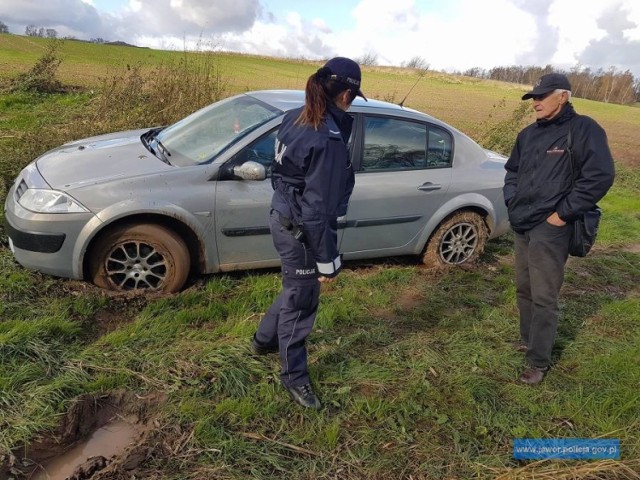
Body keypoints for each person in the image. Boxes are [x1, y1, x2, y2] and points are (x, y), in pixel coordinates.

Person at [251, 57, 366, 409]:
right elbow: (319, 210)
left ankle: (262, 341)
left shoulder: (294, 117)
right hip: (301, 228)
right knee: (303, 303)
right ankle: (294, 378)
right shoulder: (327, 138)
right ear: (346, 94)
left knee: (293, 286)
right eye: (353, 95)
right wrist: (326, 261)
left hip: (282, 213)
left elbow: (283, 172)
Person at [504, 73, 615, 385]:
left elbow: (600, 175)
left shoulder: (584, 130)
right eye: (533, 98)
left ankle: (538, 361)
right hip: (522, 222)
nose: (535, 102)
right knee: (524, 287)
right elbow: (511, 171)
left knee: (544, 295)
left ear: (562, 96)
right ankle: (529, 340)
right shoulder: (527, 135)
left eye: (542, 96)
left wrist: (561, 215)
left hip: (551, 228)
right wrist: (511, 199)